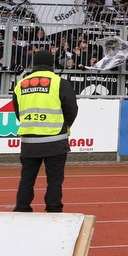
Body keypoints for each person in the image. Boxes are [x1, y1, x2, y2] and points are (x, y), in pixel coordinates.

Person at [13, 49, 78, 213]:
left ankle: (22, 208)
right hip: (55, 139)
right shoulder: (59, 82)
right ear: (52, 65)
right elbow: (71, 109)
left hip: (29, 140)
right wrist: (64, 125)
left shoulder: (21, 84)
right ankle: (53, 209)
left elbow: (18, 110)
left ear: (34, 64)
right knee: (55, 179)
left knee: (27, 178)